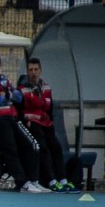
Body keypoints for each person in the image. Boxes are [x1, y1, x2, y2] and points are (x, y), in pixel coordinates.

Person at [0, 51, 49, 193]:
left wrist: (7, 93)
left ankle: (34, 180)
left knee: (31, 145)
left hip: (10, 117)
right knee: (10, 149)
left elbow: (19, 97)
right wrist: (9, 94)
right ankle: (22, 182)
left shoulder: (4, 79)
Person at [16, 58, 79, 193]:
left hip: (46, 123)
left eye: (36, 70)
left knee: (56, 147)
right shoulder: (22, 90)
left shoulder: (46, 87)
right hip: (32, 123)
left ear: (40, 71)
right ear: (27, 72)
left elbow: (49, 109)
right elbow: (18, 110)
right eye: (31, 70)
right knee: (43, 147)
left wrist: (50, 122)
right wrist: (25, 120)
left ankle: (63, 180)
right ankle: (51, 181)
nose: (33, 73)